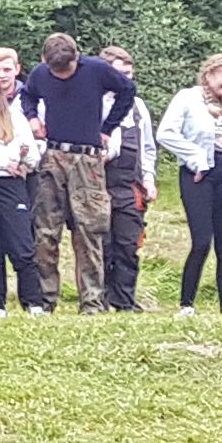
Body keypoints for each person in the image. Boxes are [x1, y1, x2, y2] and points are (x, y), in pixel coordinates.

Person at [8, 35, 129, 310]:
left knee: (90, 230)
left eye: (67, 69)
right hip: (53, 155)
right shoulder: (41, 74)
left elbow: (127, 91)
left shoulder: (96, 69)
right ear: (45, 62)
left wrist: (107, 129)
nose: (62, 75)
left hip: (88, 158)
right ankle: (45, 300)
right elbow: (27, 94)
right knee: (46, 230)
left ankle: (92, 301)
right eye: (56, 71)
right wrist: (33, 117)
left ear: (77, 57)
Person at [155, 54, 222, 313]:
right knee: (202, 240)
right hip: (198, 175)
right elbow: (165, 134)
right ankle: (187, 304)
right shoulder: (187, 98)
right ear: (209, 75)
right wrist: (196, 158)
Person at [0, 70, 47, 313]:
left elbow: (32, 156)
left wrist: (21, 164)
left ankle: (33, 302)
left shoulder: (15, 118)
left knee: (21, 245)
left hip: (9, 185)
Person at [96, 46, 153, 309]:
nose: (124, 79)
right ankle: (100, 299)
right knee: (102, 245)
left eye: (128, 74)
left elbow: (148, 147)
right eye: (118, 74)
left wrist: (149, 179)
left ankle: (125, 301)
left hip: (130, 185)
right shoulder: (92, 103)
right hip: (98, 183)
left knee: (128, 244)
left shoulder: (138, 107)